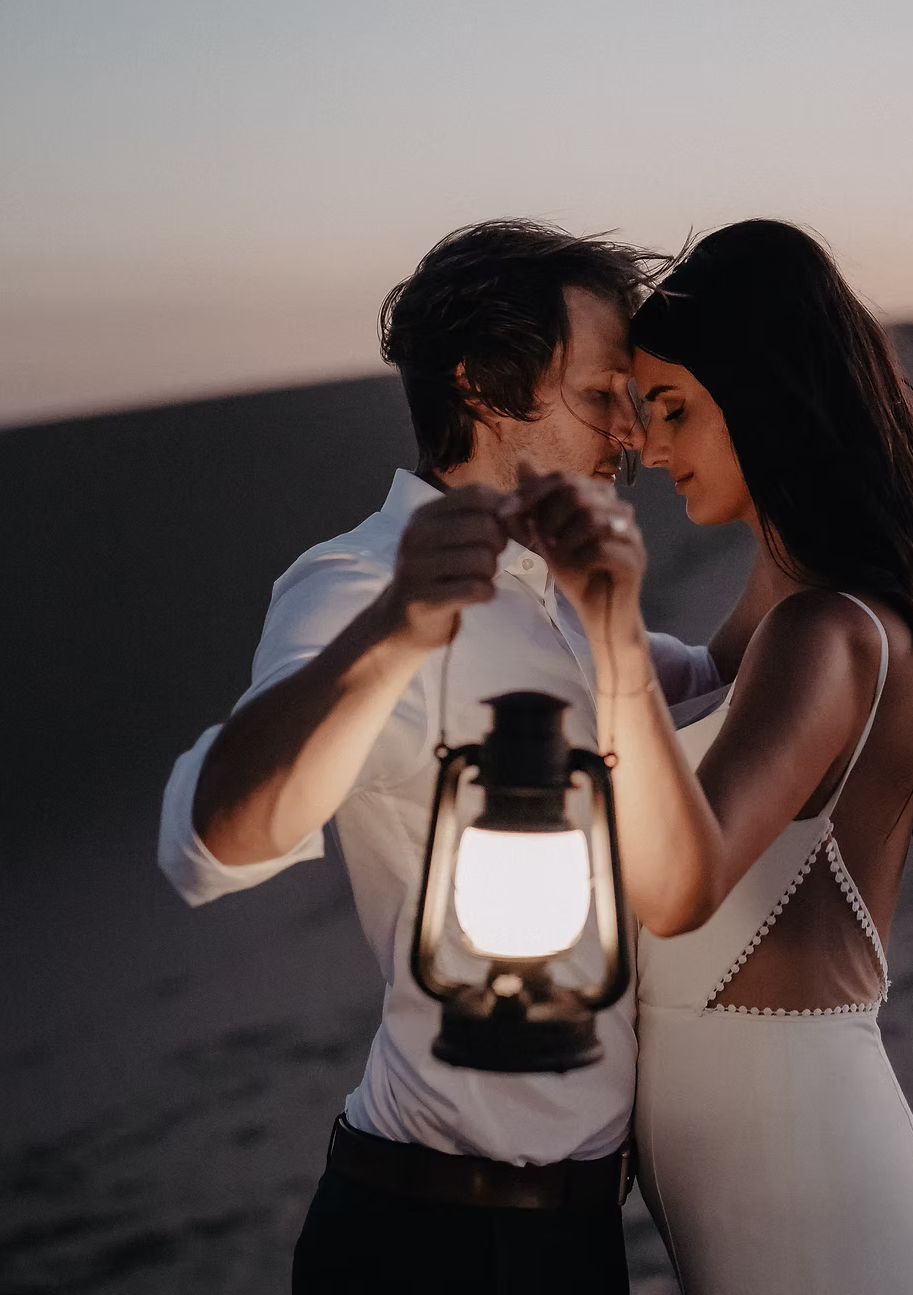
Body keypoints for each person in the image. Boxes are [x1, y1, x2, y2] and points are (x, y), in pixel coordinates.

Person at [156, 220, 722, 1295]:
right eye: (601, 394)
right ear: (484, 388)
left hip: (577, 1238)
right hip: (428, 1236)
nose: (630, 437)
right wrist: (397, 628)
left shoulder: (564, 599)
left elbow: (734, 686)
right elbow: (209, 844)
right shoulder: (353, 585)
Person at [505, 219, 913, 1295]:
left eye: (676, 408)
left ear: (769, 399)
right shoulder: (771, 618)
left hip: (836, 1230)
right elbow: (642, 726)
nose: (647, 443)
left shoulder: (826, 634)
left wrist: (607, 628)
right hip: (765, 1227)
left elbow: (681, 885)